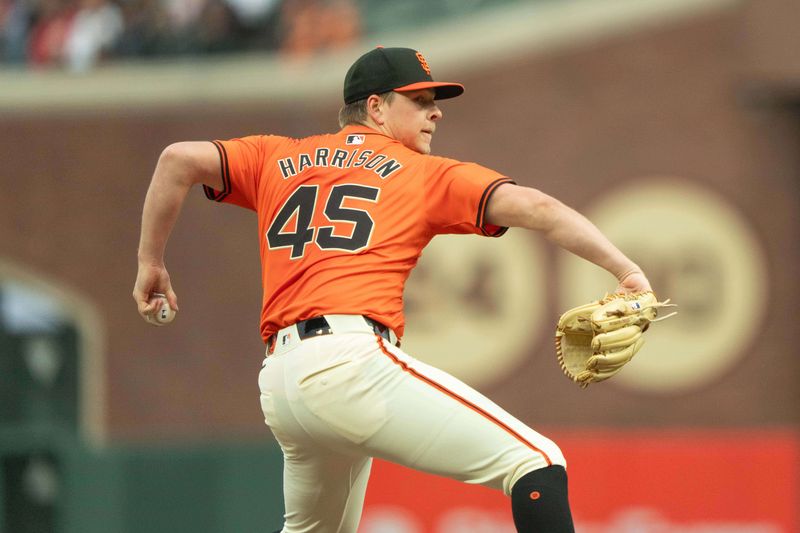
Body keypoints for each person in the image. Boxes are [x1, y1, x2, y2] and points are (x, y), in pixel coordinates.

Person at [133, 46, 652, 533]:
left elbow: (177, 158)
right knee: (537, 464)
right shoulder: (419, 172)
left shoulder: (277, 156)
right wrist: (626, 270)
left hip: (283, 382)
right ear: (376, 107)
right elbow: (541, 209)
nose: (436, 112)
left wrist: (150, 262)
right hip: (349, 364)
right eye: (421, 100)